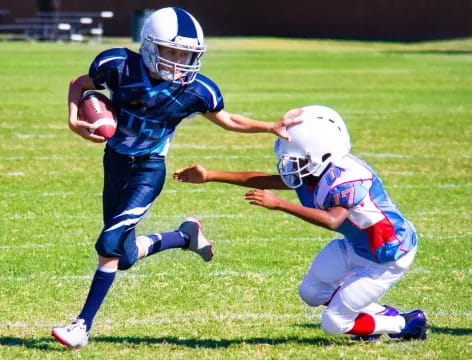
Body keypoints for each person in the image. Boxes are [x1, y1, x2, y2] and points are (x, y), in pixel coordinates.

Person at [51, 7, 300, 349]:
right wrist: (73, 118)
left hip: (149, 170)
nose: (179, 61)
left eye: (187, 54)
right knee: (122, 256)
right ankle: (185, 236)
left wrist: (269, 126)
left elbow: (228, 120)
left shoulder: (197, 90)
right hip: (116, 163)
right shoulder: (118, 65)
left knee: (108, 245)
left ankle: (81, 326)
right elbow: (80, 84)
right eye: (172, 52)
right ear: (150, 46)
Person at [173, 104, 427, 341]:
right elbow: (263, 179)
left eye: (297, 158)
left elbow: (332, 220)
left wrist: (281, 204)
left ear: (320, 152)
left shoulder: (347, 179)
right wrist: (210, 176)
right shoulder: (317, 170)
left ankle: (406, 324)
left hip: (385, 257)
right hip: (356, 245)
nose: (290, 163)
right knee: (312, 292)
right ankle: (378, 315)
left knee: (334, 324)